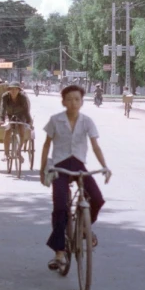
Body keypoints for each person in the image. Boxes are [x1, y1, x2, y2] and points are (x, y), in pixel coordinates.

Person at [40, 85, 112, 271]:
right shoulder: (55, 120)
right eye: (69, 99)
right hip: (60, 168)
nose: (73, 103)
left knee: (97, 199)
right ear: (63, 101)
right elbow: (46, 145)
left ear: (82, 101)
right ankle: (59, 253)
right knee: (60, 208)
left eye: (77, 99)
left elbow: (95, 146)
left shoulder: (87, 121)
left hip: (79, 166)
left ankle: (85, 228)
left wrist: (104, 166)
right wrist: (42, 169)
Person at [0, 82, 33, 162]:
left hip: (20, 116)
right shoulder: (5, 97)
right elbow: (2, 109)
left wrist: (29, 121)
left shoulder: (23, 97)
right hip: (9, 116)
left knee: (22, 132)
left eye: (16, 89)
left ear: (19, 90)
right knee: (7, 130)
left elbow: (26, 110)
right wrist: (1, 120)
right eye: (12, 89)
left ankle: (18, 152)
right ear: (9, 90)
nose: (13, 91)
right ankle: (6, 153)